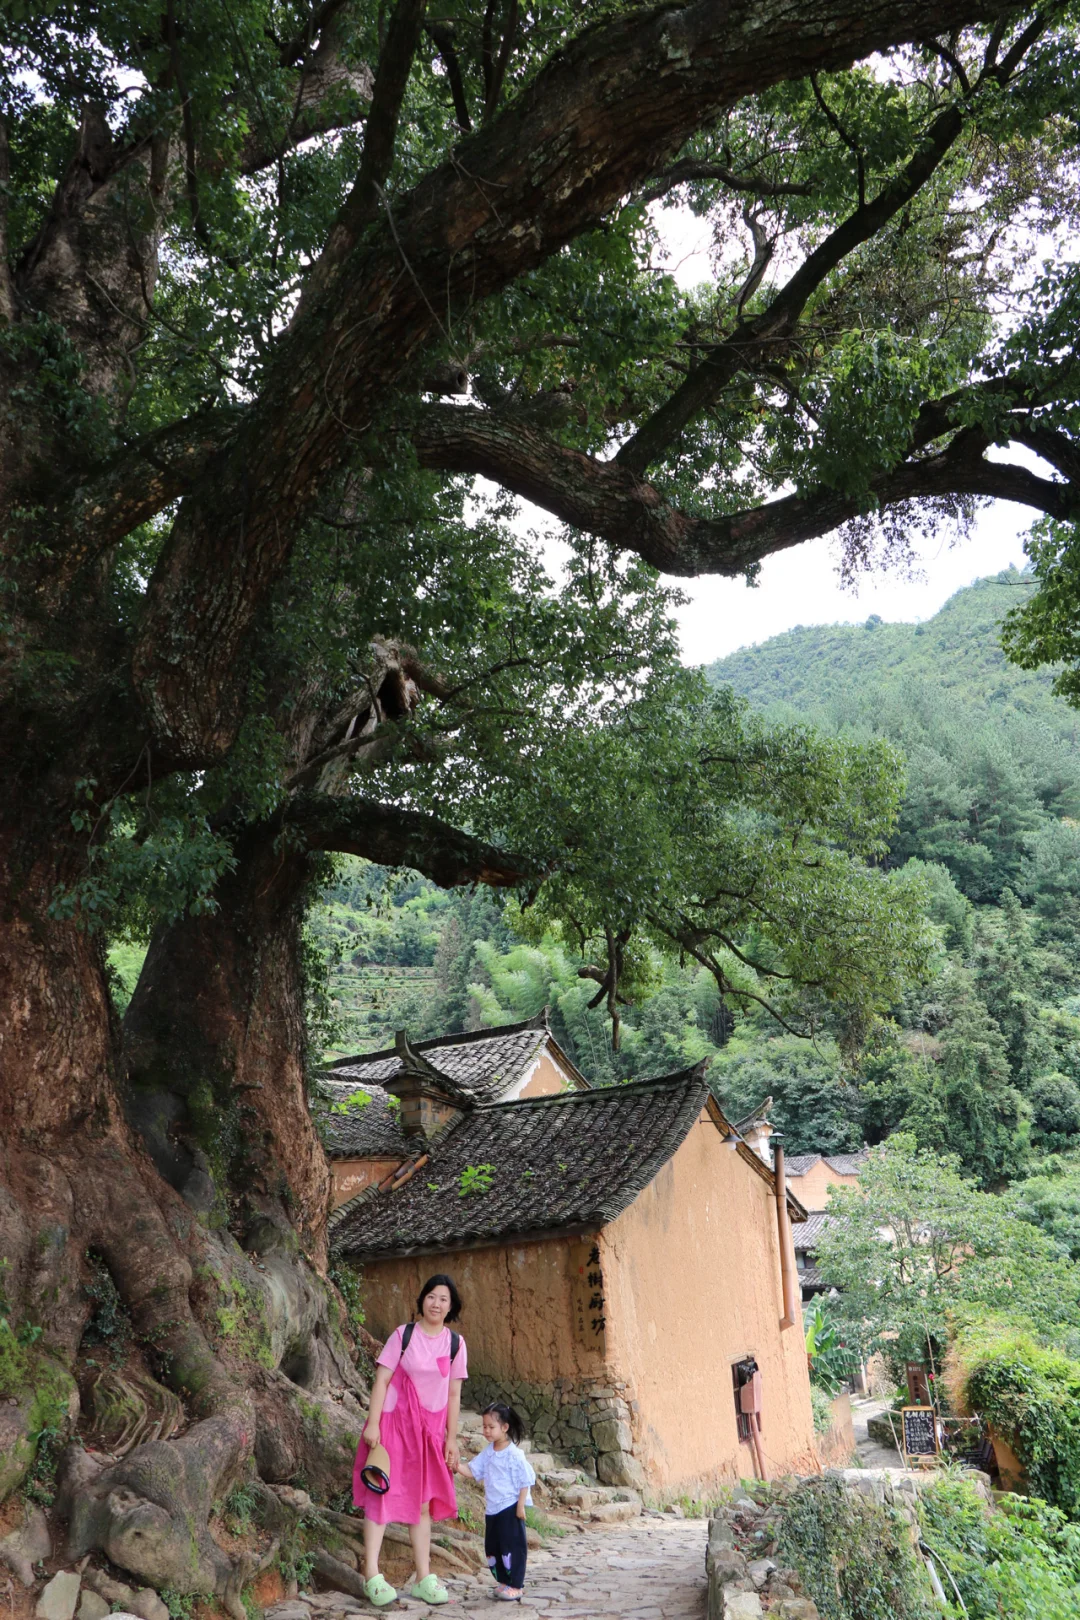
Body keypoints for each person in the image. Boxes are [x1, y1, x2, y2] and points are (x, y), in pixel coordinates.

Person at [353, 1274, 467, 1608]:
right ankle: (372, 1576)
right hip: (393, 1425)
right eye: (431, 1296)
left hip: (429, 1434)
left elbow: (454, 1394)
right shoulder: (403, 1335)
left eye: (443, 1299)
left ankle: (423, 1578)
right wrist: (373, 1423)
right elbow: (382, 1380)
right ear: (422, 1300)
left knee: (423, 1504)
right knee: (381, 1495)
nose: (436, 1304)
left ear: (451, 1306)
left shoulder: (455, 1344)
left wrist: (451, 1438)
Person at [458, 1402, 536, 1602]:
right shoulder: (488, 1452)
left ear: (505, 1427)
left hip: (509, 1507)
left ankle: (516, 1585)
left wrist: (520, 1506)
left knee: (512, 1546)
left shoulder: (514, 1454)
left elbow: (525, 1480)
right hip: (492, 1509)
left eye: (491, 1427)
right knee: (493, 1546)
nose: (486, 1431)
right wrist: (456, 1466)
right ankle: (503, 1580)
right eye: (484, 1426)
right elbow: (473, 1470)